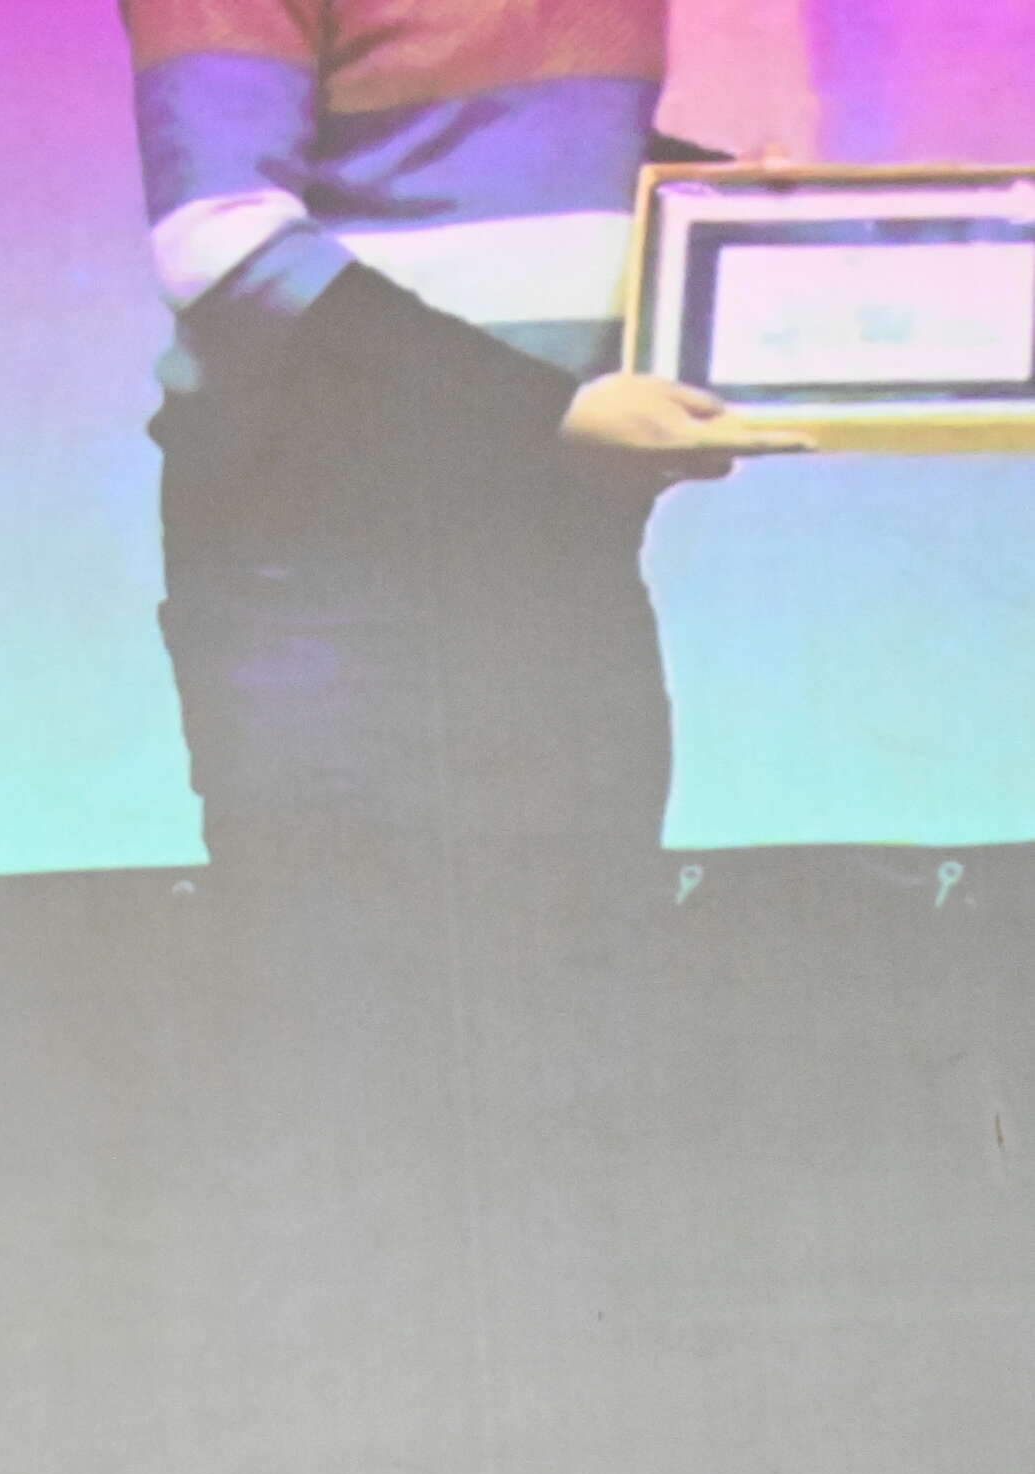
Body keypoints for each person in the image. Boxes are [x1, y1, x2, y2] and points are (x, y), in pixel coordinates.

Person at [125, 0, 807, 865]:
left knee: (574, 931)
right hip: (316, 549)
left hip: (555, 536)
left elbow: (510, 161)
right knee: (342, 929)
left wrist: (727, 211)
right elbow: (218, 244)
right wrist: (547, 417)